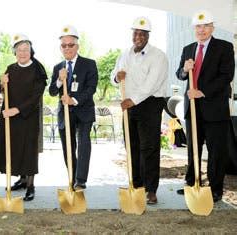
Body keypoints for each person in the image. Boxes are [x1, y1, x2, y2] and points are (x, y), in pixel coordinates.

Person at [175, 10, 235, 202]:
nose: (201, 30)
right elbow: (179, 74)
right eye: (198, 27)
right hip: (192, 108)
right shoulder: (188, 48)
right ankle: (192, 183)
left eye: (205, 26)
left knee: (216, 150)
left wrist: (202, 91)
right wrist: (185, 70)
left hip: (214, 108)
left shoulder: (224, 47)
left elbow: (226, 76)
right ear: (195, 29)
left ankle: (215, 188)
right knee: (193, 148)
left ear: (212, 28)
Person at [111, 17, 168, 204]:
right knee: (131, 146)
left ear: (148, 36)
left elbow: (151, 84)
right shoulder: (124, 54)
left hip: (150, 104)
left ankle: (151, 190)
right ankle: (136, 185)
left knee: (149, 147)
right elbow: (114, 75)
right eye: (136, 32)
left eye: (142, 33)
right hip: (129, 105)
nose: (138, 36)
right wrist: (117, 78)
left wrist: (133, 100)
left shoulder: (158, 56)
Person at [0, 34, 47, 201]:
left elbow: (36, 97)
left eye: (26, 50)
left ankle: (30, 185)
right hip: (10, 116)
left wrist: (17, 110)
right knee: (15, 148)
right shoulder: (11, 68)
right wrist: (2, 83)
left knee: (29, 151)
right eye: (19, 50)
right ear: (15, 52)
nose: (22, 53)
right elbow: (2, 91)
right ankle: (22, 180)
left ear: (31, 51)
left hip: (28, 116)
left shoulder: (38, 69)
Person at [49, 25, 98, 190]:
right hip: (65, 114)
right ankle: (73, 177)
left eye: (71, 45)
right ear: (60, 47)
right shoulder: (58, 68)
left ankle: (81, 181)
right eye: (64, 45)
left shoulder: (89, 64)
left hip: (83, 111)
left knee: (83, 144)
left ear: (77, 46)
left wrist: (74, 100)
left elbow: (91, 88)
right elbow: (52, 91)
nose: (67, 48)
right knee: (68, 147)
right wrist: (59, 80)